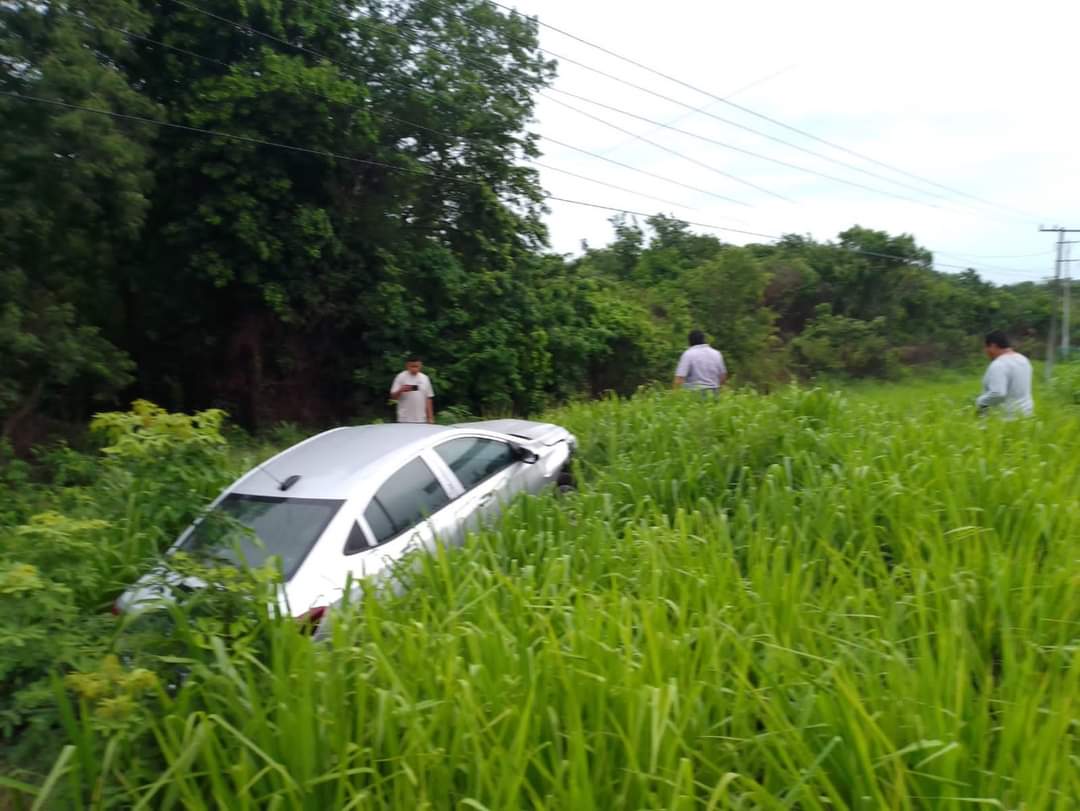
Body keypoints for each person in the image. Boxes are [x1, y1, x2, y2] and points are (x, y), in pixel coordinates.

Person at [976, 330, 1033, 417]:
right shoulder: (1024, 360)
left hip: (1006, 419)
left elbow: (998, 393)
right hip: (1026, 417)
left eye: (986, 347)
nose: (985, 351)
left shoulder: (999, 364)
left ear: (993, 346)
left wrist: (980, 401)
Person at [390, 356, 435, 424]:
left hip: (421, 419)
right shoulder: (400, 377)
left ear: (421, 366)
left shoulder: (425, 378)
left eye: (417, 366)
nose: (415, 369)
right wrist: (401, 390)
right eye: (412, 366)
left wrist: (430, 417)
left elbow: (429, 398)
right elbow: (393, 397)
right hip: (404, 419)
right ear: (407, 366)